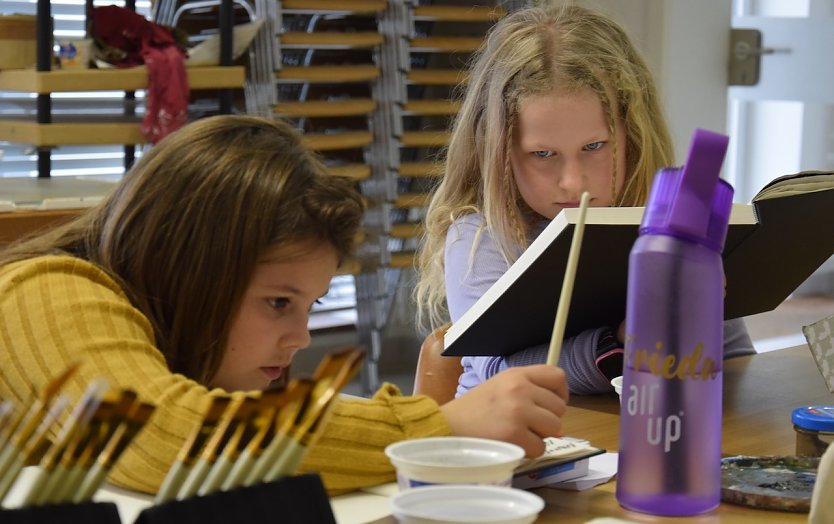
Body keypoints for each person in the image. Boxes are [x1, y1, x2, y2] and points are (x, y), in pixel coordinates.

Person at [0, 115, 569, 496]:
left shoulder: (180, 344)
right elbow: (159, 434)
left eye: (310, 305)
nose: (300, 338)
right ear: (187, 268)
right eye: (277, 302)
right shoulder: (45, 288)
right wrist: (436, 426)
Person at [414, 3, 754, 398]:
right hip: (512, 451)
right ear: (497, 151)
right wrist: (622, 342)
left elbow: (736, 363)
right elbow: (498, 373)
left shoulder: (677, 226)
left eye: (594, 146)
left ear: (634, 136)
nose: (573, 183)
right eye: (542, 154)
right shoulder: (479, 238)